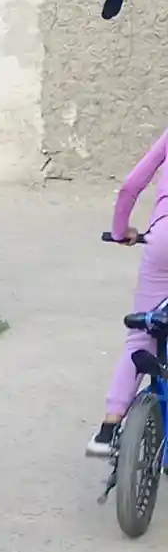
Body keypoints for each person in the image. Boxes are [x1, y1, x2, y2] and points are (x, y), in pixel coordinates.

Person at [90, 128, 168, 455]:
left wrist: (122, 231)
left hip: (163, 241)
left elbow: (131, 186)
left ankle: (108, 431)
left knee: (141, 335)